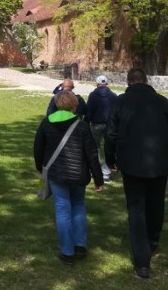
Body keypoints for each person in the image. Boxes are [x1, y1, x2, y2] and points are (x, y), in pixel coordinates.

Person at [105, 68, 168, 279]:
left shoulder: (123, 101)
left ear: (129, 82)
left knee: (137, 210)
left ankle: (143, 260)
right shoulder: (161, 102)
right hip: (158, 163)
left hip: (132, 164)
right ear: (146, 80)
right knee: (156, 204)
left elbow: (110, 134)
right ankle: (151, 242)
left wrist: (110, 160)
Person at [34, 91, 104, 266]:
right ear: (75, 106)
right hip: (78, 173)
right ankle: (79, 245)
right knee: (78, 205)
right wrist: (98, 178)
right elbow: (92, 154)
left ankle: (67, 251)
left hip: (57, 174)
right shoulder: (82, 126)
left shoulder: (46, 123)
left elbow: (38, 148)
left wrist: (41, 168)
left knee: (62, 209)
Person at [86, 75, 117, 183]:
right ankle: (106, 172)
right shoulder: (113, 96)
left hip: (96, 124)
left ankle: (97, 171)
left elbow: (89, 110)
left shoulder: (93, 95)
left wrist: (87, 120)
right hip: (110, 125)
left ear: (97, 83)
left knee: (96, 147)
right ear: (106, 83)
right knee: (108, 148)